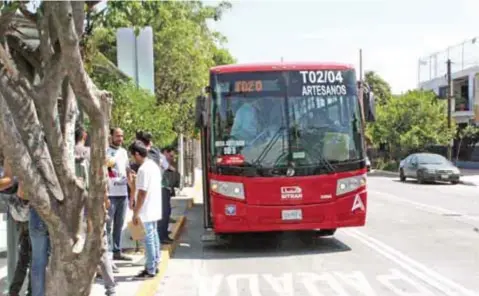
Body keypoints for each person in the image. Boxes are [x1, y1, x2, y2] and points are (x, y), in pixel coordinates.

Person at [75, 125, 117, 295]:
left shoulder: (65, 154)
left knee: (79, 251)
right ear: (84, 135)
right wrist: (106, 201)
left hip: (76, 211)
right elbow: (104, 180)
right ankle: (110, 287)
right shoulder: (93, 153)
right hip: (94, 208)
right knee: (102, 248)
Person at [129, 140, 163, 278]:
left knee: (148, 238)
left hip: (146, 210)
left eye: (132, 156)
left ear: (137, 154)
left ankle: (150, 268)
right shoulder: (153, 166)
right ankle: (154, 264)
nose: (132, 159)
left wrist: (136, 213)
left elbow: (142, 193)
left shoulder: (143, 169)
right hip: (154, 208)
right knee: (153, 236)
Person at [0, 154, 31, 296]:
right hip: (25, 215)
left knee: (26, 261)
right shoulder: (13, 156)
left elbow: (10, 183)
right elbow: (10, 183)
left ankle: (16, 292)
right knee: (30, 260)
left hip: (24, 214)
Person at [106, 127, 132, 262]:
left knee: (119, 224)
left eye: (121, 136)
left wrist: (132, 192)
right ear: (111, 136)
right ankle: (107, 253)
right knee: (108, 225)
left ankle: (117, 250)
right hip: (110, 194)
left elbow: (127, 171)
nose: (120, 139)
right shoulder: (106, 152)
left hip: (123, 194)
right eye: (117, 136)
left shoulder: (124, 152)